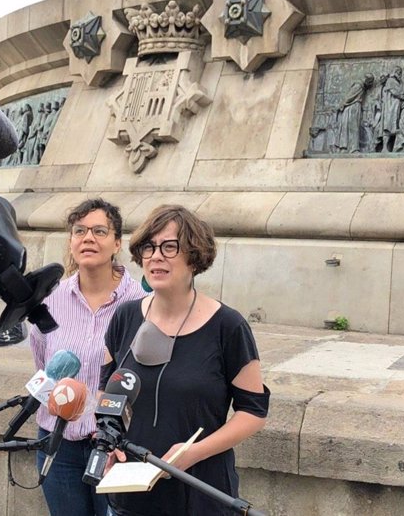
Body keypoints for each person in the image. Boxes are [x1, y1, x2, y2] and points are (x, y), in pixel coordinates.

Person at [100, 204, 269, 516]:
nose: (155, 256)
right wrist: (110, 443)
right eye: (148, 247)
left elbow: (253, 412)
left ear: (194, 256)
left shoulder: (228, 326)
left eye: (169, 246)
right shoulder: (124, 317)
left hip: (201, 497)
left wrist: (195, 452)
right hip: (131, 498)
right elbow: (107, 396)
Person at [30, 198, 146, 516]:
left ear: (117, 242)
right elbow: (44, 365)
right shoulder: (51, 300)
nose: (88, 238)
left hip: (116, 447)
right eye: (79, 230)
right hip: (58, 443)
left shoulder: (142, 303)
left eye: (99, 230)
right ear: (71, 240)